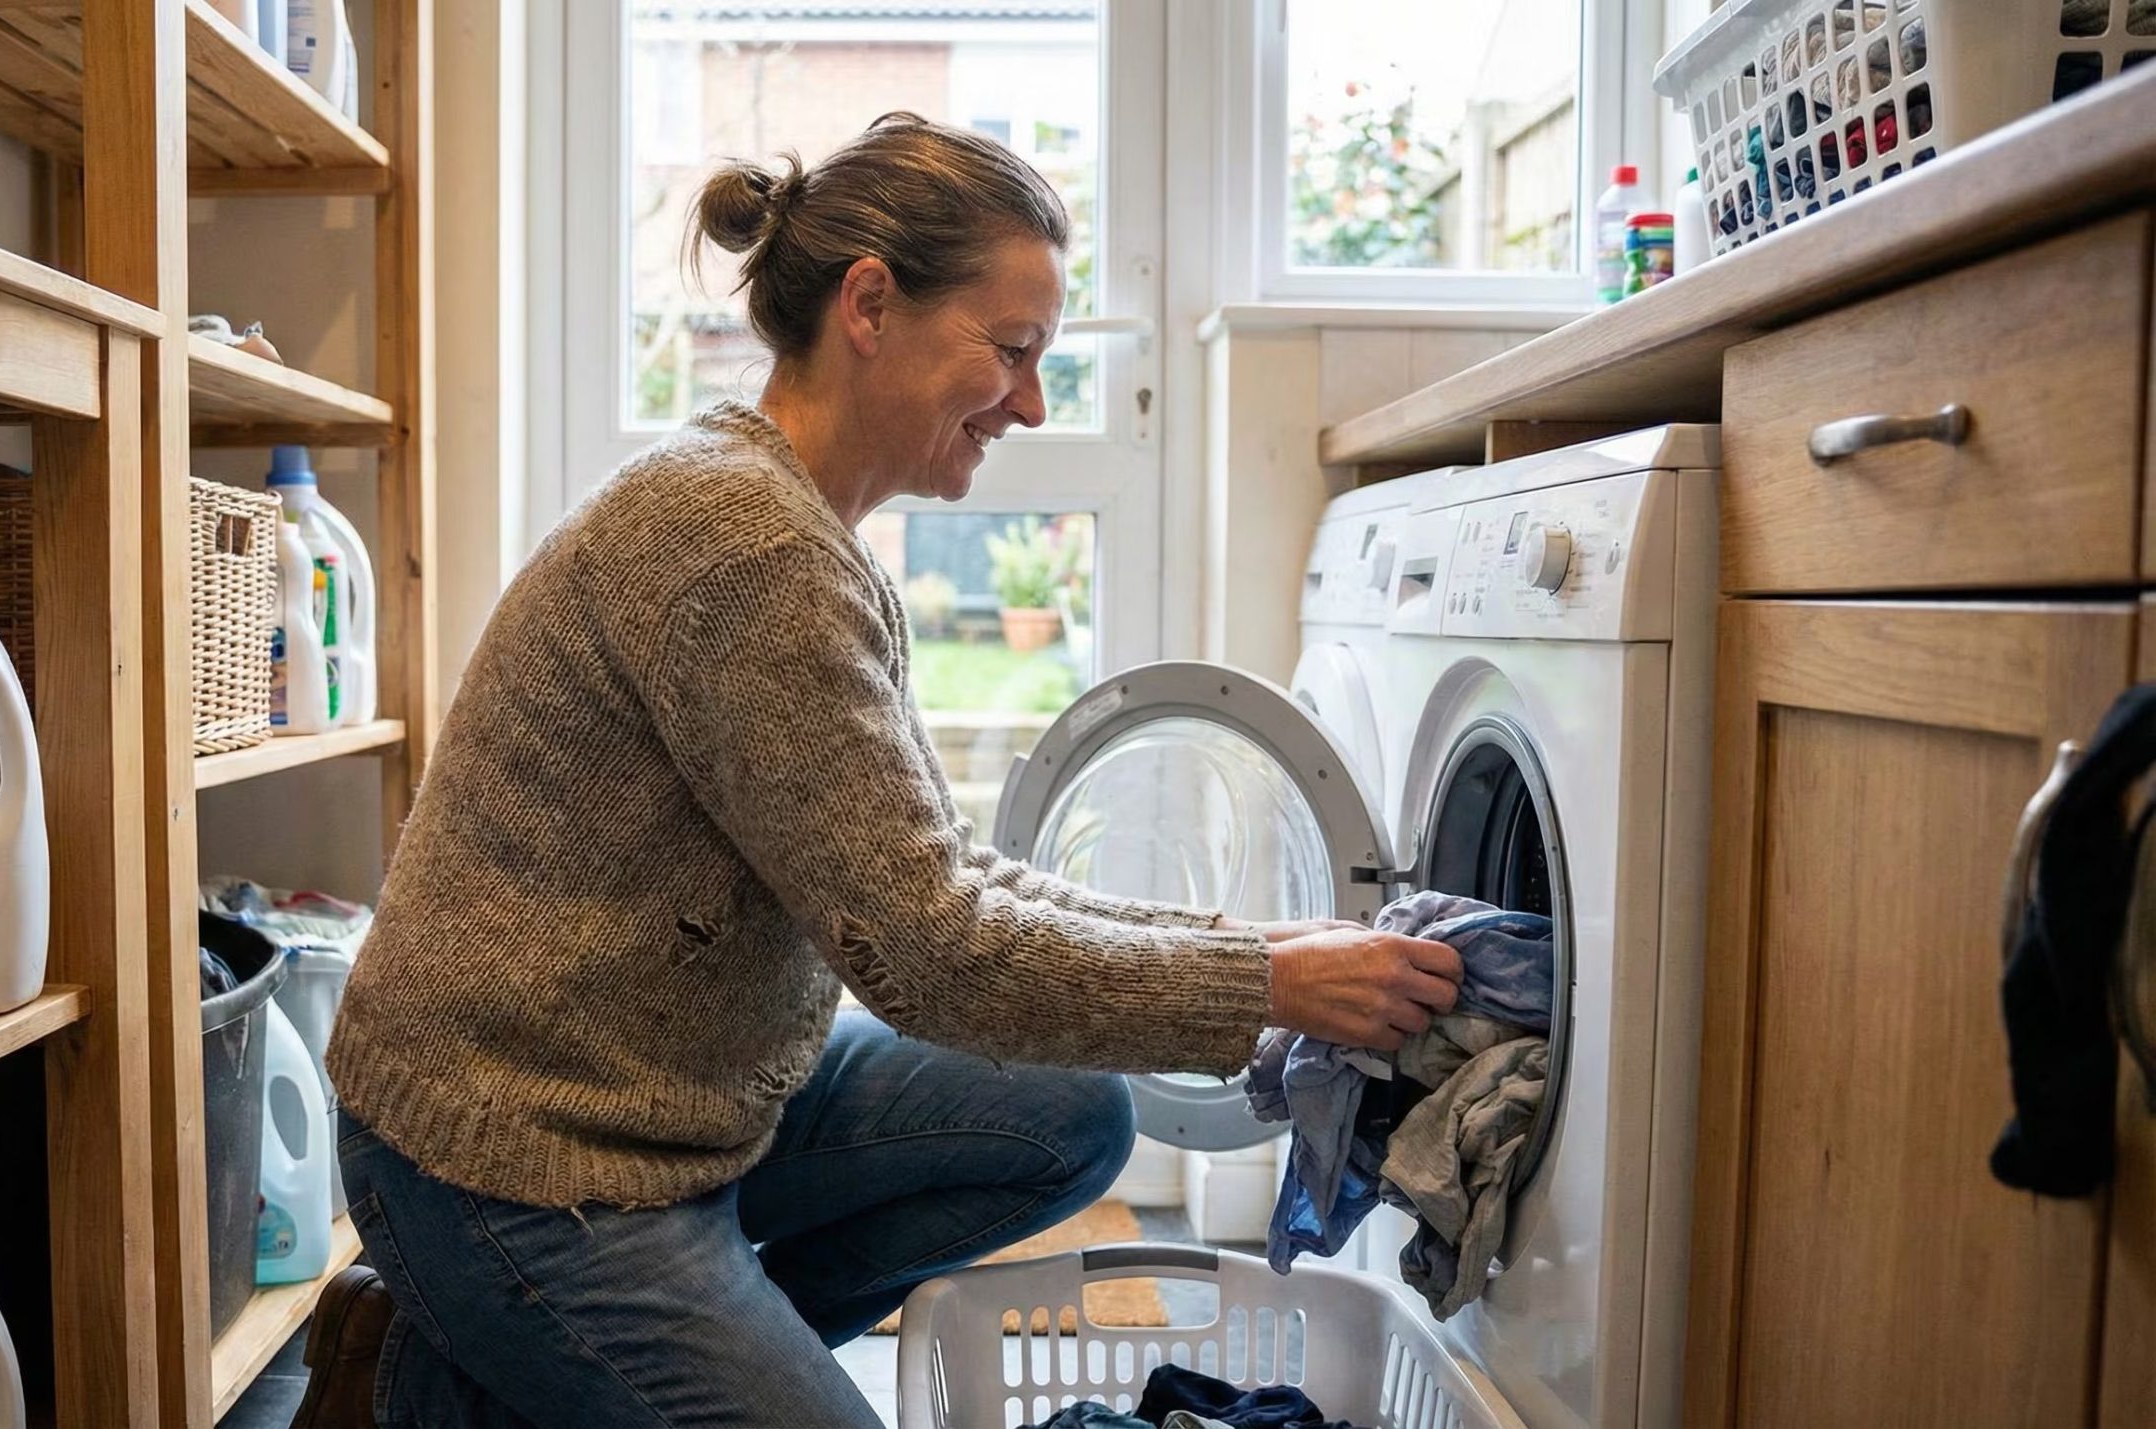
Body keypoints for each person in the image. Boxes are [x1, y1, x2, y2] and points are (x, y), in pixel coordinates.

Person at [289, 112, 1462, 1429]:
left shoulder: (793, 522)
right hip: (513, 1159)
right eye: (1010, 351)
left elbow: (943, 879)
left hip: (681, 1101)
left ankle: (525, 1368)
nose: (1028, 402)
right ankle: (490, 1354)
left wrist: (1255, 951)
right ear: (870, 304)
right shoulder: (747, 550)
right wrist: (1271, 981)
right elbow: (933, 950)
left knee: (1072, 1116)